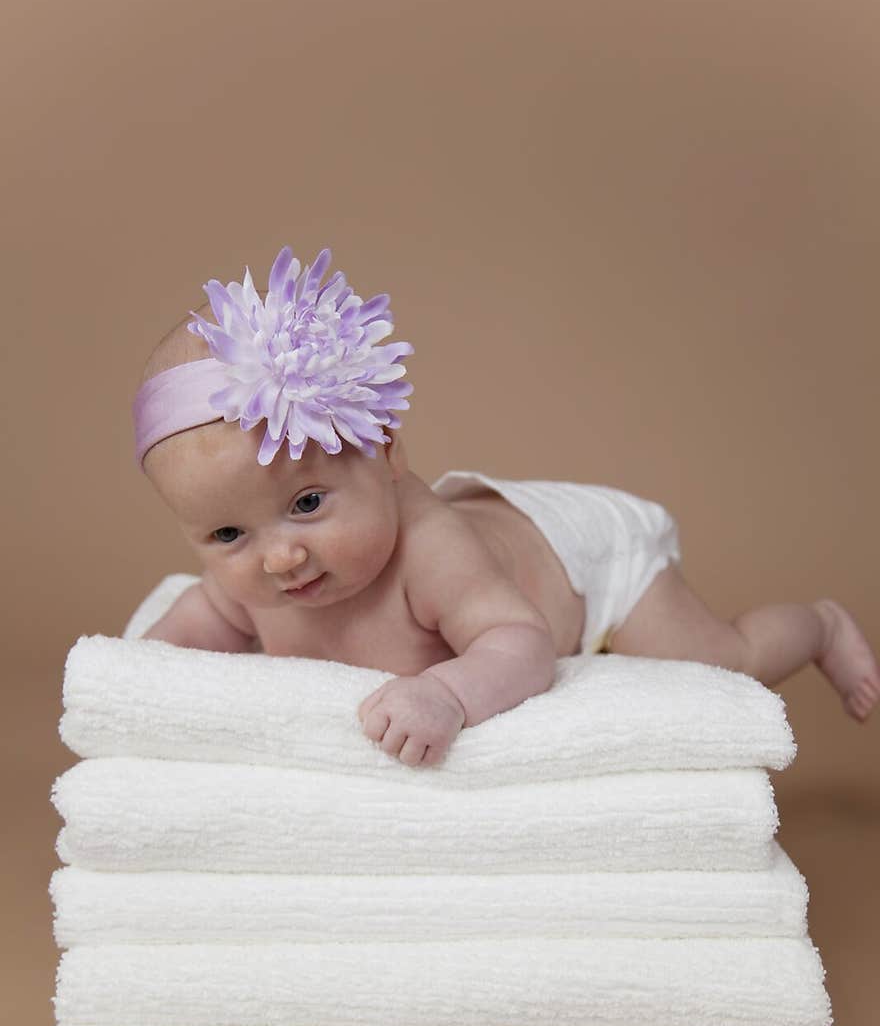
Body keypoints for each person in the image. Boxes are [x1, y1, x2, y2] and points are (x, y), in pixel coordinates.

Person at [133, 244, 879, 767]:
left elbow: (519, 642)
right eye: (228, 533)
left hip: (585, 568)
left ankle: (818, 627)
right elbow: (190, 631)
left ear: (388, 453)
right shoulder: (256, 587)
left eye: (308, 502)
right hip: (507, 528)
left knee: (720, 664)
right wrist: (140, 676)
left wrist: (449, 695)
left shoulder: (429, 552)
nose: (279, 556)